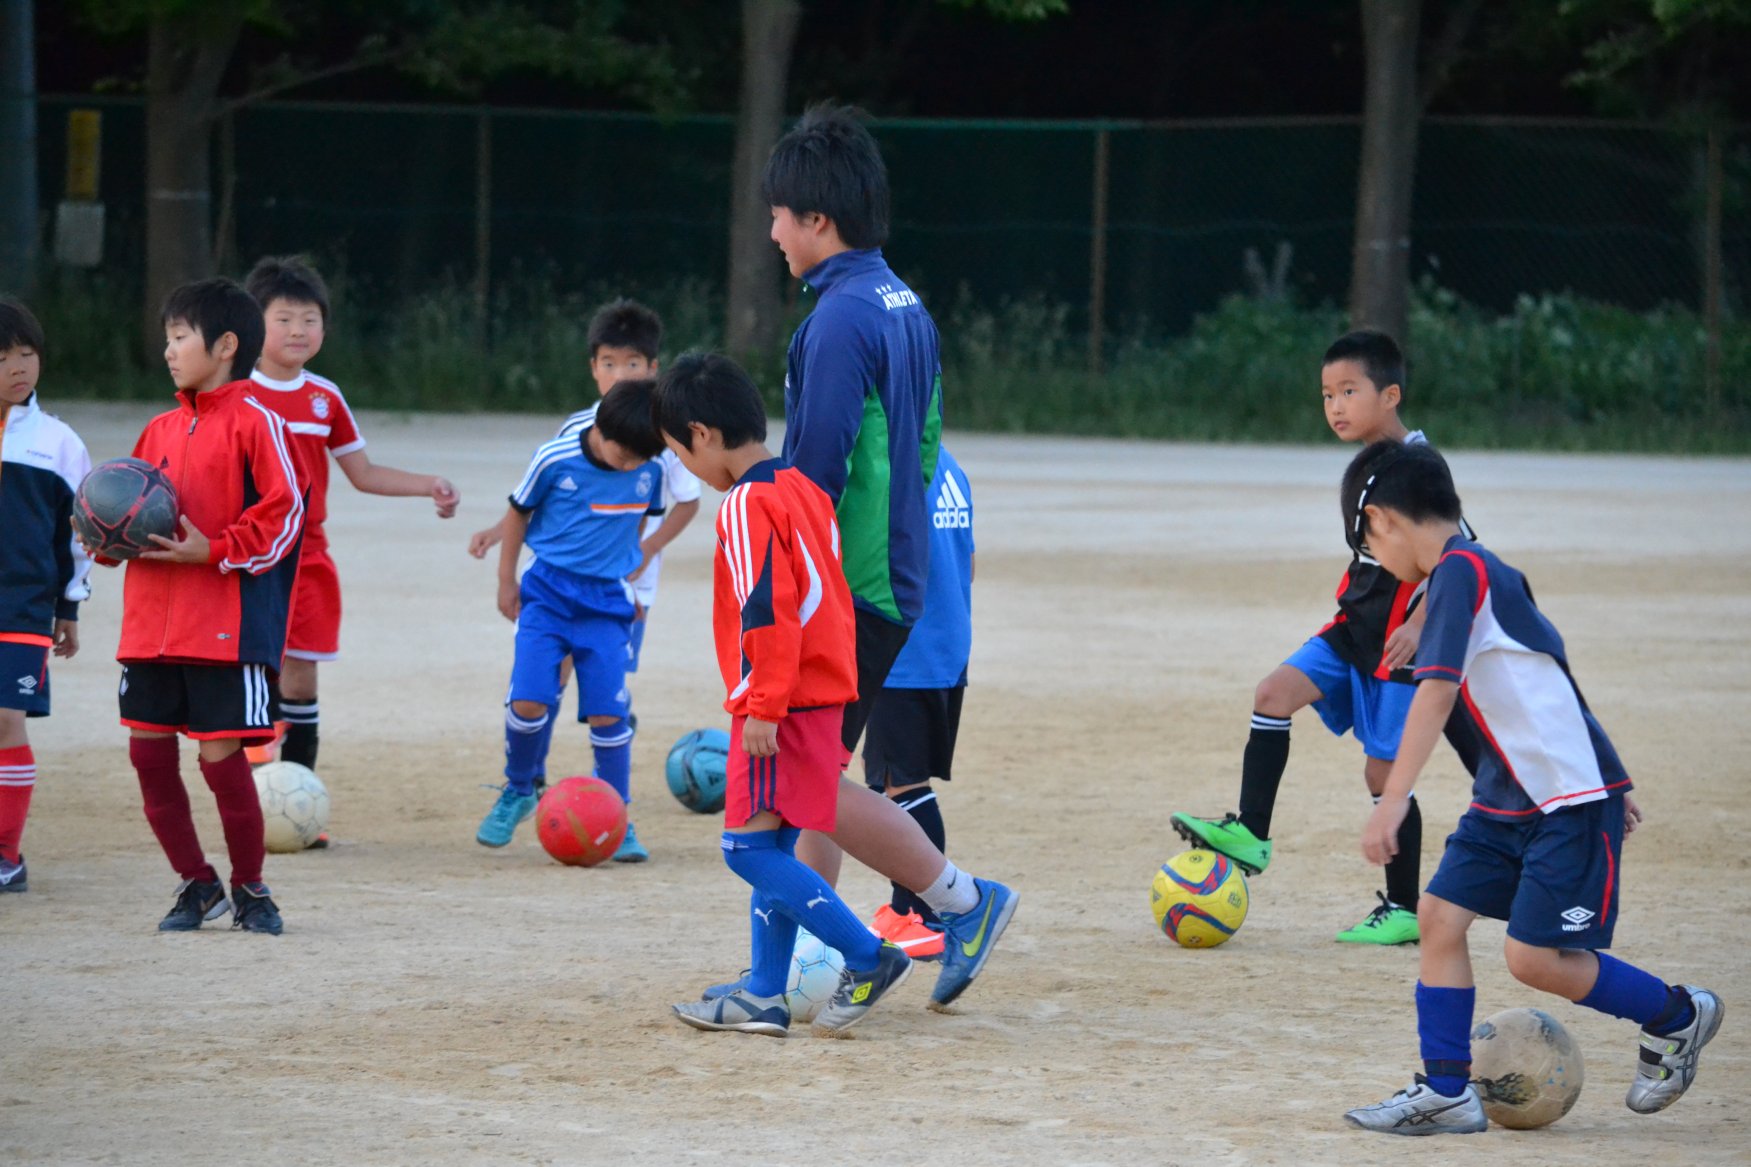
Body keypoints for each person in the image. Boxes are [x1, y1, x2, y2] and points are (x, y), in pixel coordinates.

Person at [1337, 439, 1723, 1134]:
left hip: (1563, 803)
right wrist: (1611, 768)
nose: (1372, 557)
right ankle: (1446, 1089)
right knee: (1438, 917)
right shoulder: (1472, 573)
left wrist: (1392, 796)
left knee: (1532, 957)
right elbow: (1552, 670)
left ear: (1387, 521)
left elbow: (1436, 693)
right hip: (1504, 794)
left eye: (1365, 538)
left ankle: (1677, 1014)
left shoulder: (1462, 572)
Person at [763, 103, 1016, 1010]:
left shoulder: (836, 321)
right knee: (811, 774)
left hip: (851, 581)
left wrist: (780, 587)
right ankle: (809, 960)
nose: (773, 233)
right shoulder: (904, 301)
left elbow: (813, 479)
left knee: (797, 776)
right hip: (891, 573)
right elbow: (922, 446)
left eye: (782, 216)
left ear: (818, 221)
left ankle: (960, 903)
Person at [1171, 330, 1476, 945]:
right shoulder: (1369, 462)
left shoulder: (1419, 465)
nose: (1335, 405)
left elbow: (1462, 549)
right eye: (1327, 394)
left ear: (1390, 395)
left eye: (1349, 391)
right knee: (1273, 694)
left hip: (1396, 646)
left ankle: (1402, 909)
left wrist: (1420, 624)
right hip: (1349, 632)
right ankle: (1252, 833)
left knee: (1381, 778)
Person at [656, 353, 912, 1038]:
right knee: (781, 838)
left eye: (679, 451)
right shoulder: (803, 487)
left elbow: (768, 607)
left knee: (746, 850)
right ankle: (765, 991)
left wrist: (764, 702)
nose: (688, 467)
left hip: (781, 702)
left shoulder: (746, 503)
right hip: (823, 694)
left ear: (702, 433)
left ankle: (866, 954)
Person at [88, 278, 305, 934]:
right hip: (149, 628)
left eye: (180, 337)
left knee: (221, 760)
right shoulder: (157, 426)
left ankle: (251, 887)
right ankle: (196, 882)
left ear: (227, 345)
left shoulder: (258, 421)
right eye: (168, 338)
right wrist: (104, 538)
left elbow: (285, 513)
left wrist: (213, 549)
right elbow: (129, 513)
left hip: (224, 630)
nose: (169, 350)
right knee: (148, 756)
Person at [468, 300, 701, 847]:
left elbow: (644, 523)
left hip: (608, 602)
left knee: (608, 715)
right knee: (529, 698)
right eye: (610, 363)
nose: (629, 469)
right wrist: (506, 579)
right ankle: (519, 788)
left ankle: (618, 817)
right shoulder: (557, 453)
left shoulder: (650, 456)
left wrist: (637, 581)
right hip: (547, 592)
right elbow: (525, 507)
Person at [244, 257, 459, 791]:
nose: (299, 330)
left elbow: (361, 472)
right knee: (251, 672)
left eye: (310, 319)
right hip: (247, 556)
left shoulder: (324, 397)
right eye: (285, 318)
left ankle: (296, 795)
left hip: (307, 555)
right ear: (252, 323)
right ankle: (249, 798)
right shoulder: (234, 394)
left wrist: (427, 483)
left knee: (302, 671)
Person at [862, 447, 975, 959]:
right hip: (946, 649)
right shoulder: (949, 466)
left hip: (903, 652)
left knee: (903, 784)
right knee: (897, 783)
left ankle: (925, 916)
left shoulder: (892, 464)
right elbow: (967, 565)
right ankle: (905, 906)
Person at [0, 298, 92, 893]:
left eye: (28, 354)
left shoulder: (58, 443)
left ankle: (7, 856)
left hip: (24, 606)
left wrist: (69, 606)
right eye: (4, 355)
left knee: (6, 719)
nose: (19, 366)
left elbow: (79, 534)